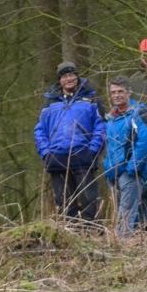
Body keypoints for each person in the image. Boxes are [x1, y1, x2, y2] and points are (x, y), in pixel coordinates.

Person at [34, 61, 106, 225]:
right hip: (57, 157)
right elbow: (40, 130)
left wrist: (93, 150)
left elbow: (101, 126)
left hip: (83, 155)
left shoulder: (91, 97)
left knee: (89, 199)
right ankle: (71, 233)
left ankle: (91, 231)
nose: (69, 79)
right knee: (64, 202)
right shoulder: (50, 101)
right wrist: (46, 153)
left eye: (72, 74)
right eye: (65, 76)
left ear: (77, 76)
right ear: (60, 80)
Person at [102, 76, 147, 237]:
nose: (116, 95)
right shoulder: (110, 118)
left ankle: (122, 246)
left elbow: (144, 142)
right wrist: (107, 166)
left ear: (129, 92)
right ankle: (122, 243)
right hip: (112, 171)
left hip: (129, 171)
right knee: (119, 211)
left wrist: (132, 167)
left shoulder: (138, 113)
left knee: (127, 211)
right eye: (113, 92)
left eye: (120, 92)